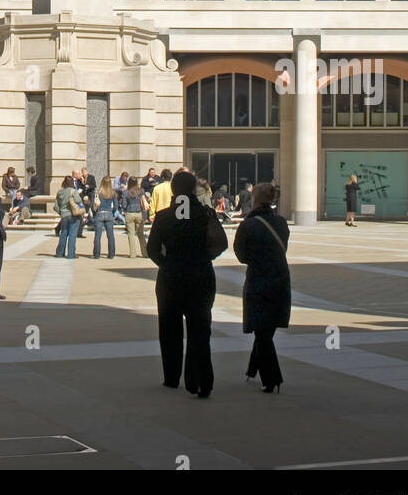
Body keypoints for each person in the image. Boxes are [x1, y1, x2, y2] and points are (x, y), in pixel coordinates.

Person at [146, 170, 228, 397]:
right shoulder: (206, 214)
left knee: (170, 329)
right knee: (200, 330)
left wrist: (167, 263)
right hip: (200, 275)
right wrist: (204, 258)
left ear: (173, 190)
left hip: (171, 277)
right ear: (194, 189)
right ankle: (200, 380)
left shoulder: (163, 216)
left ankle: (172, 377)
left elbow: (152, 249)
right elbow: (221, 244)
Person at [233, 182, 291, 393]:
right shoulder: (281, 223)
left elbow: (241, 254)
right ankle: (252, 368)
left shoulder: (249, 225)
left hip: (258, 277)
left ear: (255, 199)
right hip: (280, 276)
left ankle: (272, 378)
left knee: (262, 330)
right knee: (267, 327)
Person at [54, 176, 83, 259]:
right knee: (72, 235)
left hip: (64, 215)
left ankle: (60, 253)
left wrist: (61, 212)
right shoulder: (73, 191)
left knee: (63, 234)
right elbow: (78, 201)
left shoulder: (59, 192)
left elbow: (56, 206)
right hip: (73, 215)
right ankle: (71, 254)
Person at [122, 177, 148, 257]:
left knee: (131, 234)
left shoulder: (126, 192)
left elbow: (124, 205)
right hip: (139, 213)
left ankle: (133, 254)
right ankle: (145, 253)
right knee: (141, 234)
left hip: (129, 213)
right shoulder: (141, 191)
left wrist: (125, 209)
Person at [92, 177, 118, 259]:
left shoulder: (98, 192)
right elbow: (116, 206)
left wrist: (94, 213)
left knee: (97, 235)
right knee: (110, 235)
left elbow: (93, 205)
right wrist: (112, 213)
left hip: (99, 213)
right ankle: (111, 254)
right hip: (109, 213)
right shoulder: (113, 193)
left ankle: (96, 254)